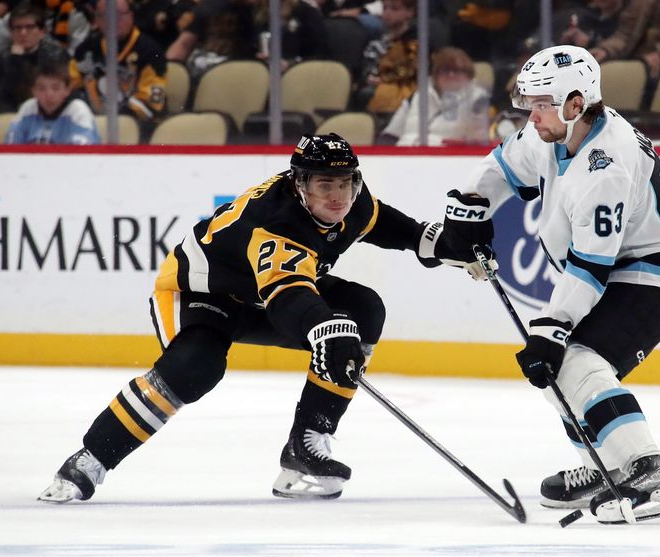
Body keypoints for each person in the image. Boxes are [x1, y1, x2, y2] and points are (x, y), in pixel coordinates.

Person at [37, 132, 486, 504]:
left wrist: (451, 244)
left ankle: (304, 449)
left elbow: (400, 231)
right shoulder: (276, 220)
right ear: (298, 184)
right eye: (322, 185)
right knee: (197, 367)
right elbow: (288, 297)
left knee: (363, 310)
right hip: (200, 293)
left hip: (266, 294)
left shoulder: (354, 200)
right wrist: (323, 328)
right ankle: (90, 459)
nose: (336, 195)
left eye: (344, 183)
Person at [438, 45, 660, 523]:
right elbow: (501, 166)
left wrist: (553, 325)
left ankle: (652, 474)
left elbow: (590, 267)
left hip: (659, 270)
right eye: (532, 103)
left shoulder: (606, 163)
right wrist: (470, 209)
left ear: (576, 103)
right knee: (556, 367)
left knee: (574, 356)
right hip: (621, 265)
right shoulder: (553, 129)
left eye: (541, 104)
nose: (531, 114)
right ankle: (609, 470)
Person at [70, 0, 167, 126]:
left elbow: (154, 103)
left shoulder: (152, 52)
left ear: (131, 16)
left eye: (119, 14)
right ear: (97, 20)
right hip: (91, 125)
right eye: (105, 15)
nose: (113, 20)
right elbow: (70, 86)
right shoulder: (85, 50)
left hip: (137, 128)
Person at [380, 46, 490, 146]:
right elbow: (390, 136)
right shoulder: (417, 96)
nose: (451, 75)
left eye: (457, 70)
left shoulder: (478, 100)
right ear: (436, 74)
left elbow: (477, 142)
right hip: (404, 157)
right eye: (445, 70)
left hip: (448, 161)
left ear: (468, 75)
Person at [0, 1, 70, 112]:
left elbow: (49, 90)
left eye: (30, 27)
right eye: (17, 28)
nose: (23, 33)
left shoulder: (55, 54)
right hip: (13, 114)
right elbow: (4, 95)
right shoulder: (4, 56)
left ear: (42, 32)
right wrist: (15, 60)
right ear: (11, 32)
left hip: (48, 111)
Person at [5, 59, 100, 144]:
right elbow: (10, 146)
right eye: (42, 88)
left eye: (56, 88)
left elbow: (84, 152)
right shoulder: (28, 108)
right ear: (33, 91)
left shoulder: (77, 110)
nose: (49, 94)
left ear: (67, 90)